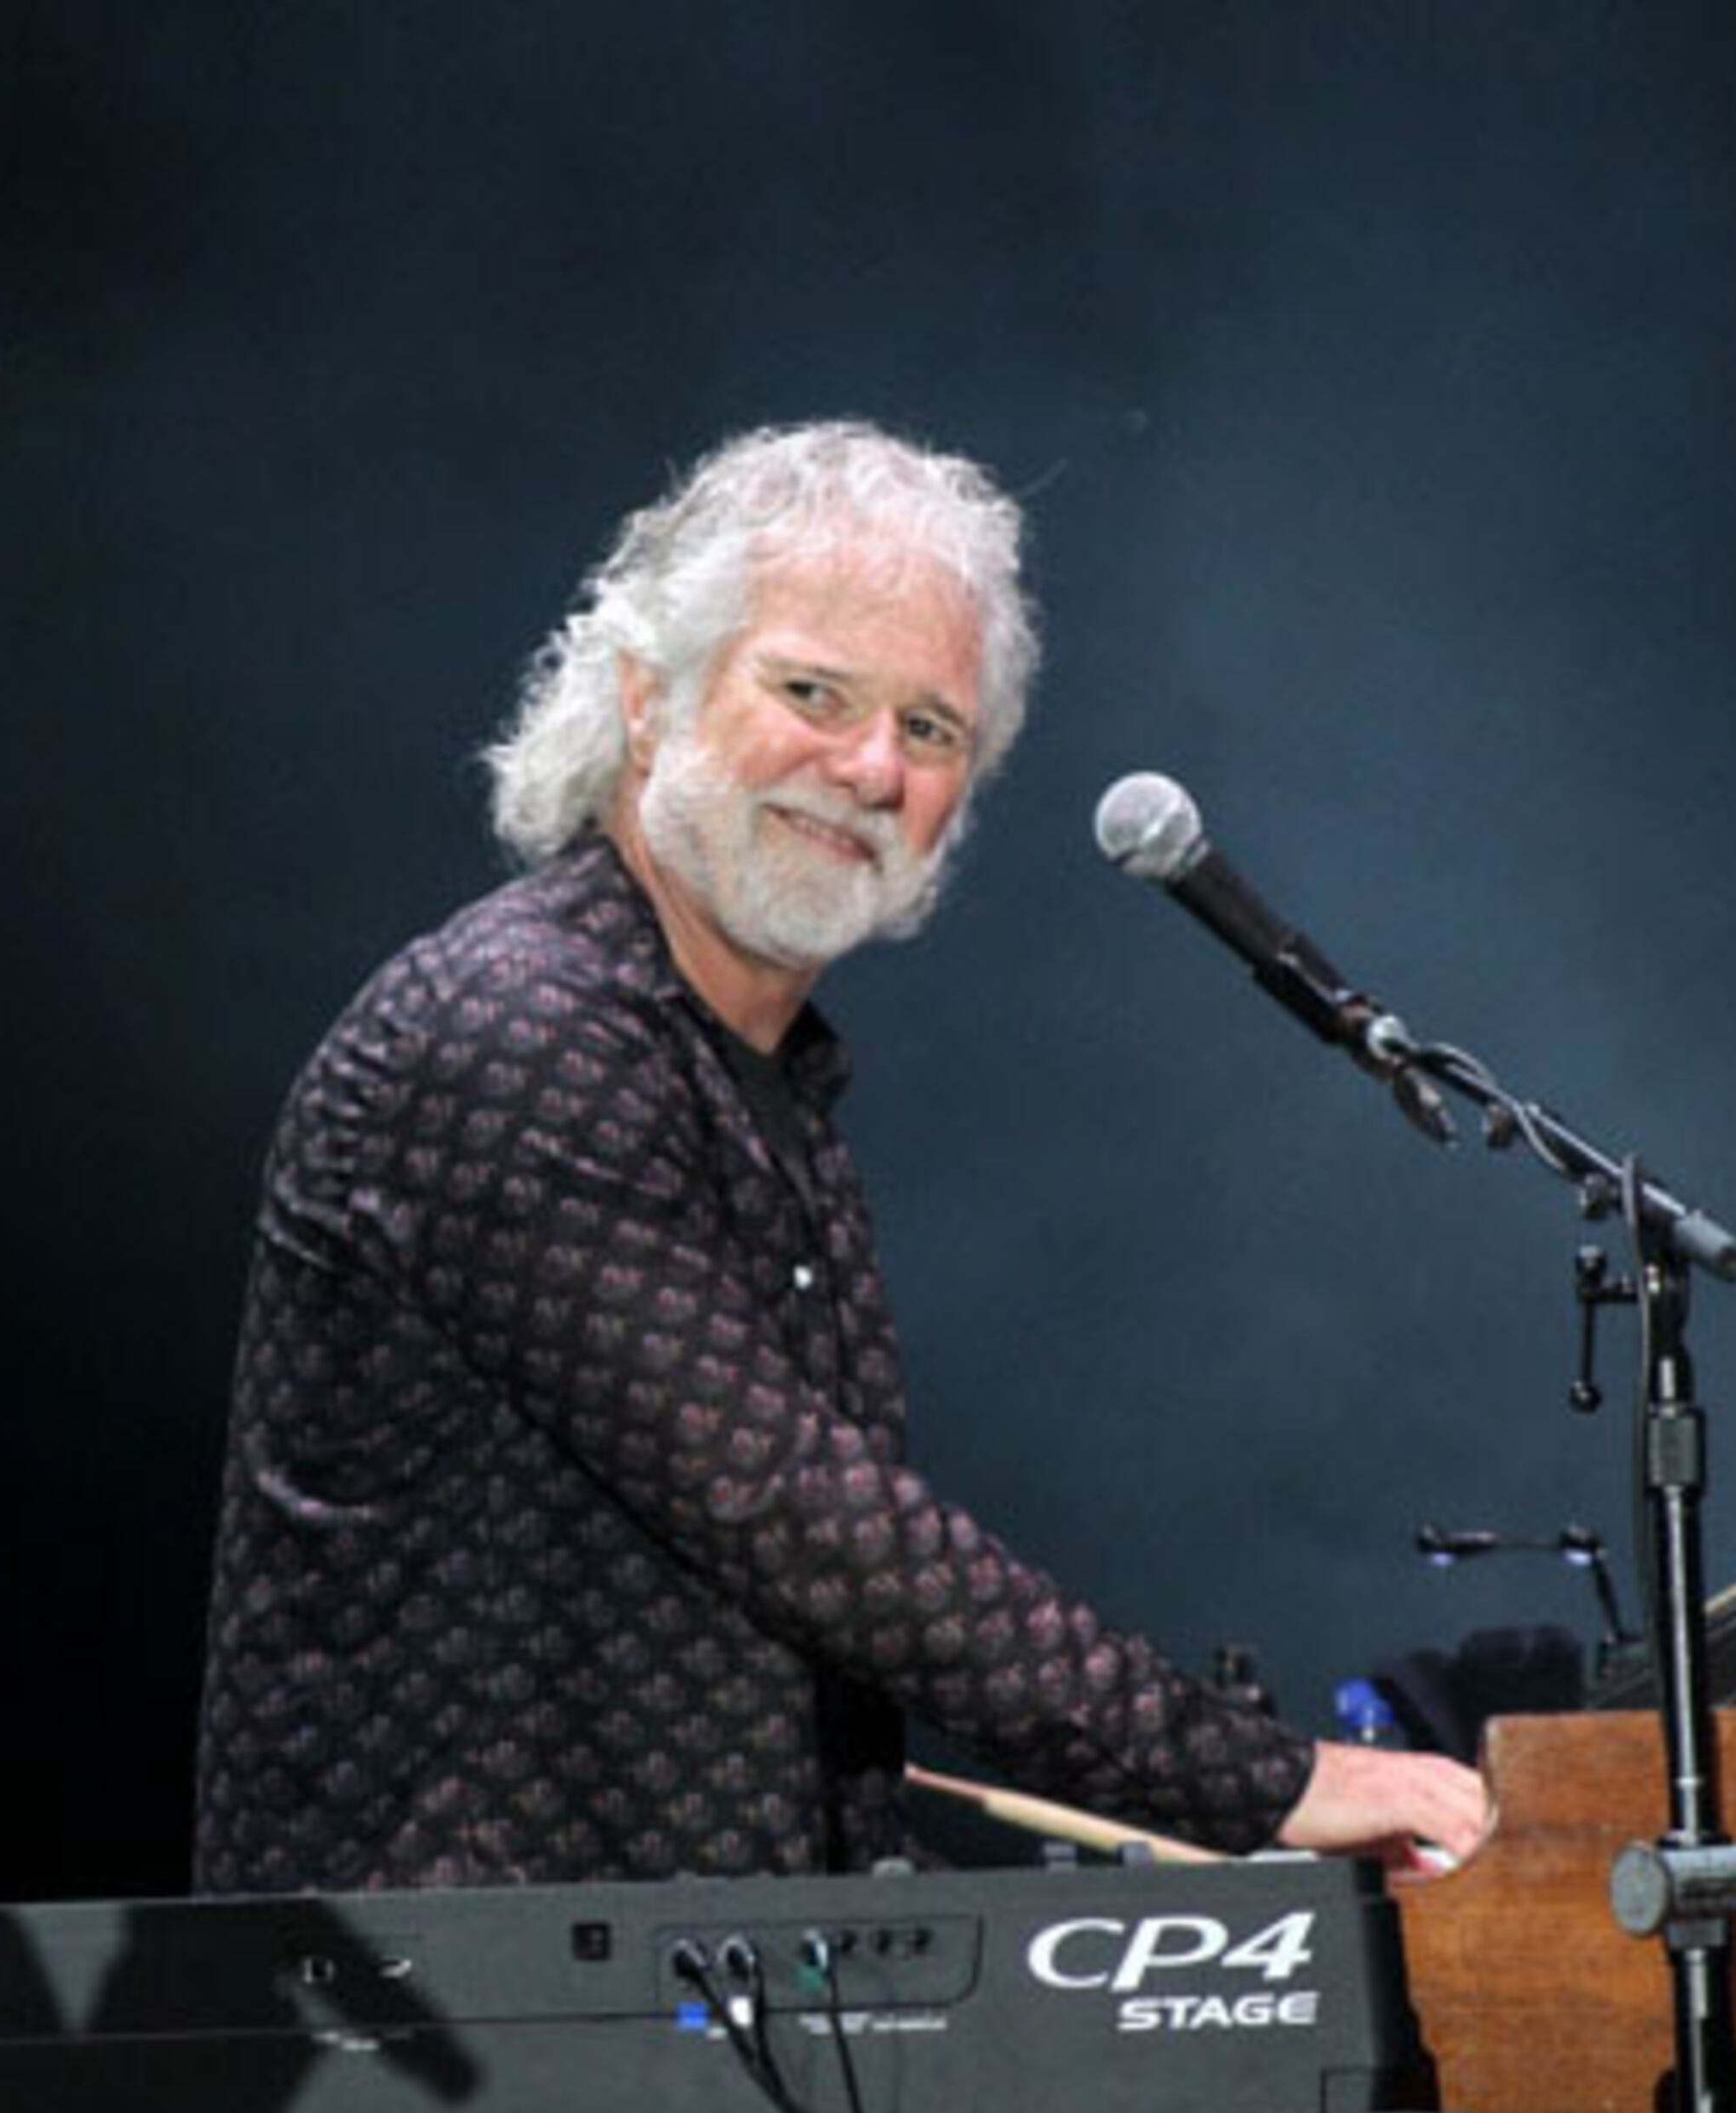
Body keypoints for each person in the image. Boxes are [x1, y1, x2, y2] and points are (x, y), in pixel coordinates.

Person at [194, 421, 1493, 1894]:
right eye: (813, 692)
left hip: (687, 2021)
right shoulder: (515, 1030)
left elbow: (794, 1647)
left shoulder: (768, 1085)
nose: (871, 766)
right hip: (445, 2051)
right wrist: (1265, 1780)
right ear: (643, 699)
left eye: (930, 730)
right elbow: (805, 1518)